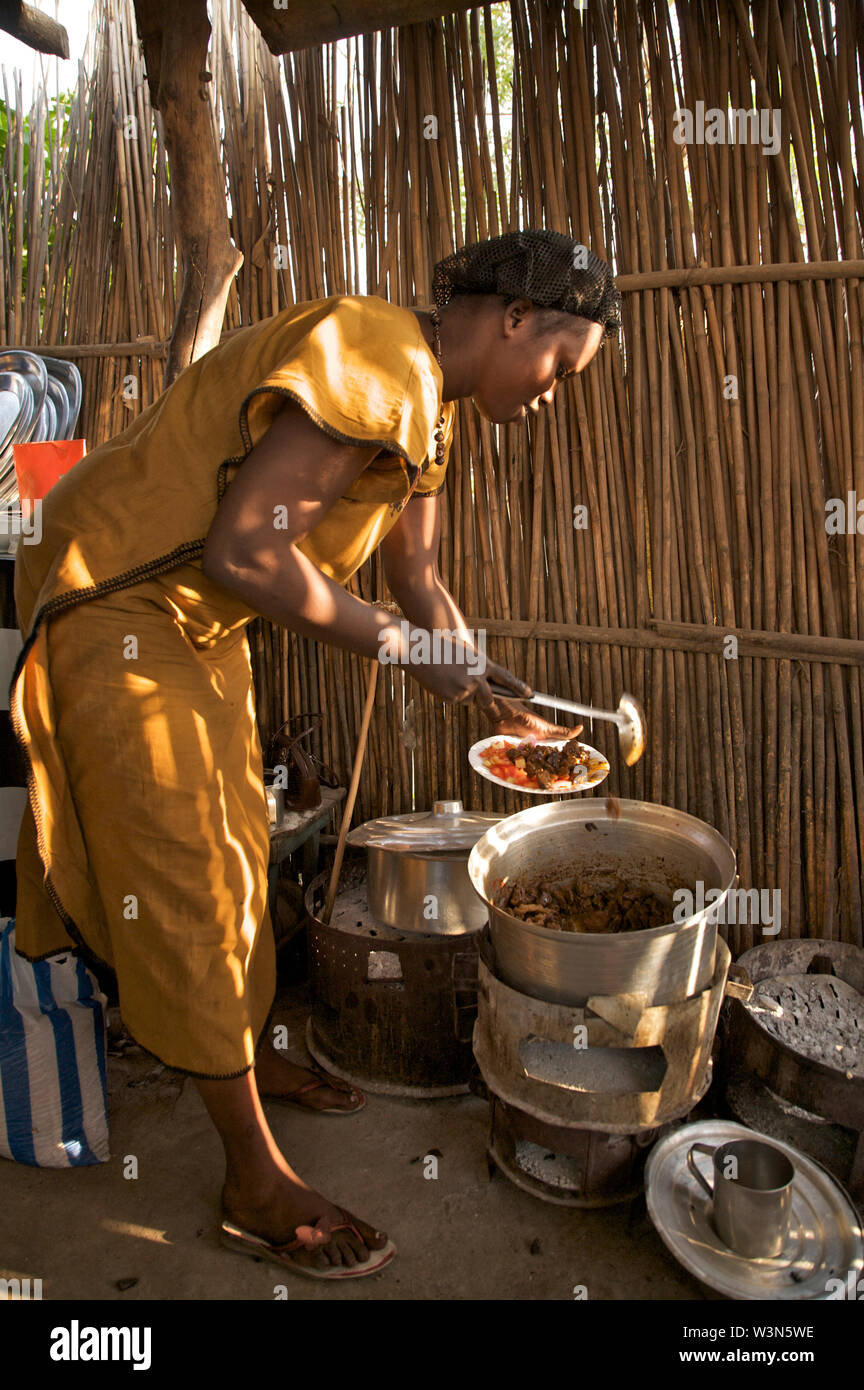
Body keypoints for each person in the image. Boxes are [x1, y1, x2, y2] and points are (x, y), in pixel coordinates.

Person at [11, 229, 621, 1281]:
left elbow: (421, 588)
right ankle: (254, 1183)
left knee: (240, 844)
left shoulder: (428, 419)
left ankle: (244, 1061)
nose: (556, 393)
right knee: (188, 868)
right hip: (112, 593)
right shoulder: (373, 351)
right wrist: (408, 647)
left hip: (196, 621)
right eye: (562, 366)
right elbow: (246, 548)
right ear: (516, 320)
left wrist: (490, 689)